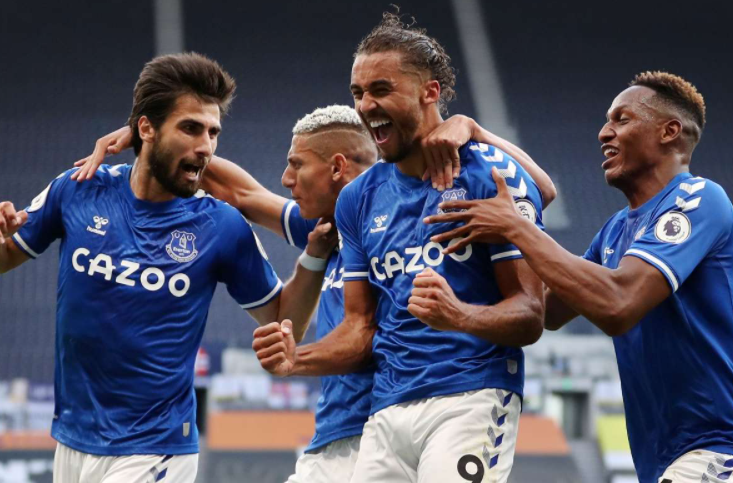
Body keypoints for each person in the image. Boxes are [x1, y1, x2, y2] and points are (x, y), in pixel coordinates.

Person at [75, 100, 555, 482]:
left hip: (381, 429)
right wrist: (147, 140)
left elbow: (541, 190)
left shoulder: (403, 216)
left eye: (296, 166)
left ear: (339, 168)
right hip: (333, 439)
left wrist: (472, 128)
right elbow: (238, 193)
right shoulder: (327, 227)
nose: (286, 181)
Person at [0, 52, 333, 483]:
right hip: (72, 439)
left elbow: (284, 319)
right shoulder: (78, 188)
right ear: (146, 128)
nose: (206, 147)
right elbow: (7, 255)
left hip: (156, 446)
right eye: (191, 128)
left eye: (213, 132)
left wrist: (314, 255)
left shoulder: (222, 225)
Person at [253, 12, 547, 483]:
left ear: (429, 92)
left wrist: (458, 316)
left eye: (381, 90)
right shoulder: (357, 199)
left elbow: (531, 314)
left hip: (471, 395)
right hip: (387, 411)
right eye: (358, 93)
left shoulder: (491, 175)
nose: (366, 105)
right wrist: (295, 360)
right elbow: (359, 328)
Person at [425, 72, 733, 483]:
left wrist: (517, 228)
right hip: (662, 456)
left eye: (621, 119)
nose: (605, 132)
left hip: (717, 446)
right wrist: (486, 142)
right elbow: (548, 311)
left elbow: (617, 305)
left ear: (669, 131)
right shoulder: (613, 232)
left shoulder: (699, 199)